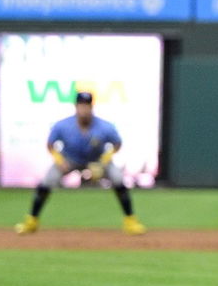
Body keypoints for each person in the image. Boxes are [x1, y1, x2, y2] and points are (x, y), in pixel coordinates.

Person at [15, 91, 145, 236]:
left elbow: (117, 144)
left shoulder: (104, 126)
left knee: (118, 179)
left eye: (87, 106)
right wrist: (59, 160)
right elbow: (51, 145)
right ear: (76, 107)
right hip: (70, 159)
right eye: (81, 106)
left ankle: (130, 221)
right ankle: (32, 221)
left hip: (97, 160)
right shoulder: (62, 125)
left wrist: (104, 161)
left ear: (91, 107)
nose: (84, 109)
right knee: (47, 182)